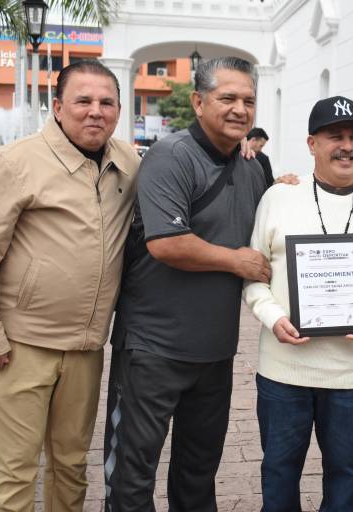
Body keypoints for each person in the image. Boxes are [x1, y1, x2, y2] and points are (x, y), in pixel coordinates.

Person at [0, 60, 140, 511]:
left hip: (86, 350)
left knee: (71, 468)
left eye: (106, 102)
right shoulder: (13, 163)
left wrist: (256, 165)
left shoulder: (129, 163)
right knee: (15, 475)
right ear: (57, 107)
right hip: (18, 349)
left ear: (118, 109)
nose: (95, 111)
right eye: (83, 101)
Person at [103, 57, 269, 511]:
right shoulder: (171, 156)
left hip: (215, 351)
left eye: (248, 100)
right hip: (154, 347)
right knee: (133, 473)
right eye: (228, 98)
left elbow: (267, 231)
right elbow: (168, 243)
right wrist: (237, 261)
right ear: (198, 102)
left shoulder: (253, 167)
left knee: (199, 471)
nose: (240, 109)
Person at [243, 95, 353, 511]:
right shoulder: (277, 199)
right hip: (284, 368)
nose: (347, 146)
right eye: (335, 136)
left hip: (351, 372)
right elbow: (254, 279)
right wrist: (274, 317)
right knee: (279, 469)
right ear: (312, 143)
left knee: (345, 471)